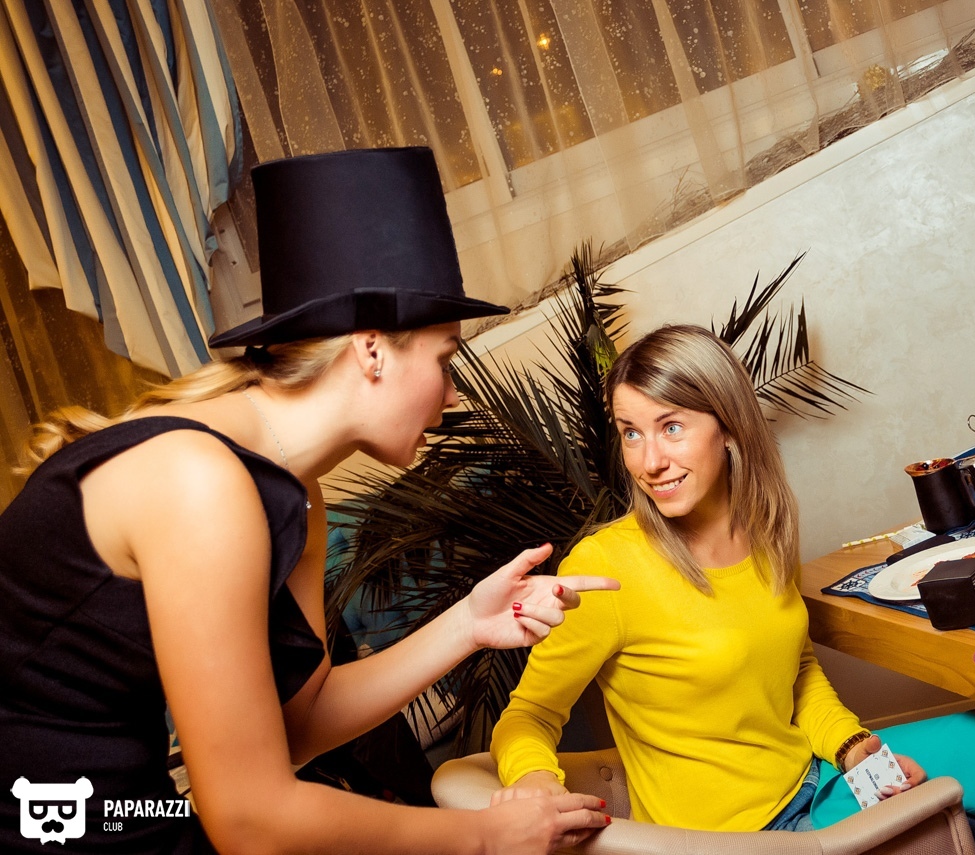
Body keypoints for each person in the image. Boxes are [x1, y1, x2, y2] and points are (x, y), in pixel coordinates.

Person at [0, 147, 618, 855]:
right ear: (371, 350)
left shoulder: (295, 494)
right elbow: (249, 818)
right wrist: (483, 836)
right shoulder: (199, 483)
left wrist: (470, 624)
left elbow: (299, 724)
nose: (453, 396)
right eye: (446, 358)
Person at [490, 324, 975, 835]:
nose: (649, 462)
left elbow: (794, 671)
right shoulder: (608, 565)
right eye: (631, 432)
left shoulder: (765, 530)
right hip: (747, 838)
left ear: (728, 427)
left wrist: (856, 749)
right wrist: (536, 779)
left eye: (671, 427)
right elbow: (528, 715)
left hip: (815, 781)